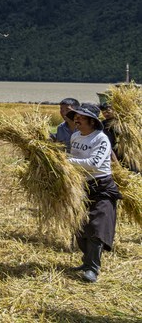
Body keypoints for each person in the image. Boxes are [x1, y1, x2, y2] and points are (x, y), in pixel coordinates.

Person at [66, 102, 122, 283]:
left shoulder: (101, 139)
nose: (77, 119)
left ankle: (93, 269)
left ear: (92, 121)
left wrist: (66, 161)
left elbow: (93, 163)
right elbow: (75, 160)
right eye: (76, 117)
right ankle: (86, 261)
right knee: (80, 227)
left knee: (97, 228)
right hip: (82, 187)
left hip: (102, 188)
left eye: (81, 117)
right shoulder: (75, 136)